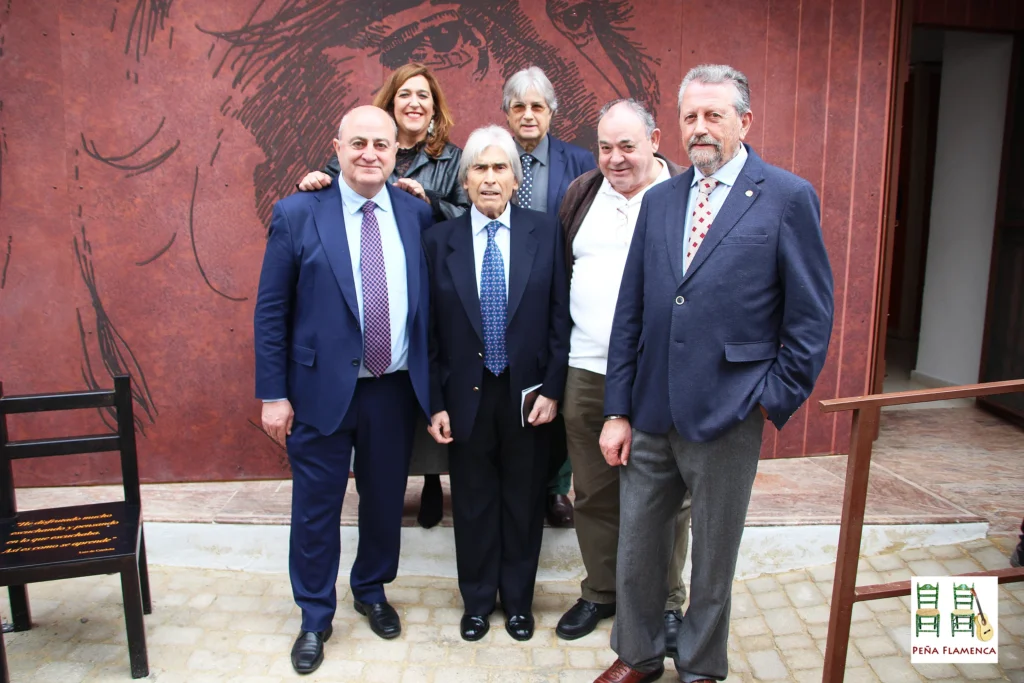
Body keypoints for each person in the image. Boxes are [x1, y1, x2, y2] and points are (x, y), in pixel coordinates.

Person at [594, 65, 835, 683]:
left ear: (744, 121)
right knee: (639, 546)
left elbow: (809, 317)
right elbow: (631, 313)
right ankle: (639, 655)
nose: (699, 129)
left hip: (731, 410)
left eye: (714, 115)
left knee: (713, 556)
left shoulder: (785, 197)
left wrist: (771, 397)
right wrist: (617, 409)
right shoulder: (661, 199)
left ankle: (700, 664)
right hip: (650, 410)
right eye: (690, 117)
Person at [253, 105, 434, 675]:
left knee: (384, 502)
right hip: (318, 392)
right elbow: (271, 312)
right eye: (358, 143)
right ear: (336, 147)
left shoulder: (415, 213)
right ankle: (313, 615)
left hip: (392, 390)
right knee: (316, 510)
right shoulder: (297, 212)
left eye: (382, 145)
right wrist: (272, 394)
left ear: (395, 152)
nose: (370, 154)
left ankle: (372, 590)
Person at [298, 63, 468, 530]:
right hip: (344, 350)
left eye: (424, 96)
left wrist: (427, 203)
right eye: (406, 94)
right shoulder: (358, 145)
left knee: (400, 451)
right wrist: (314, 179)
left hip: (418, 310)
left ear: (434, 109)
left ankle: (429, 483)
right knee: (333, 492)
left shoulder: (451, 159)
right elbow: (330, 201)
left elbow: (466, 218)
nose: (415, 102)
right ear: (389, 104)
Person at [554, 99, 692, 654]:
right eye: (605, 147)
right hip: (587, 367)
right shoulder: (581, 194)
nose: (615, 159)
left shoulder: (685, 194)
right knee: (591, 489)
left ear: (656, 139)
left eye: (627, 146)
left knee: (668, 495)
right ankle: (602, 589)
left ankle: (665, 603)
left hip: (661, 373)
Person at [423, 125, 570, 643]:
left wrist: (553, 388)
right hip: (467, 396)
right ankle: (478, 601)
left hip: (528, 397)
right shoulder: (438, 241)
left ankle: (519, 602)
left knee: (524, 501)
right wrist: (435, 403)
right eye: (480, 168)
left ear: (515, 178)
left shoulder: (545, 231)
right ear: (465, 181)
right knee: (473, 501)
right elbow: (430, 333)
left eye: (500, 167)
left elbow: (560, 318)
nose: (490, 178)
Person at [501, 66, 596, 527]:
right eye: (519, 106)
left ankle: (556, 489)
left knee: (558, 389)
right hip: (503, 292)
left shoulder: (579, 162)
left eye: (537, 106)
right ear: (506, 113)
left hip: (564, 290)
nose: (528, 115)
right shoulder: (493, 157)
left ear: (552, 112)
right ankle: (513, 481)